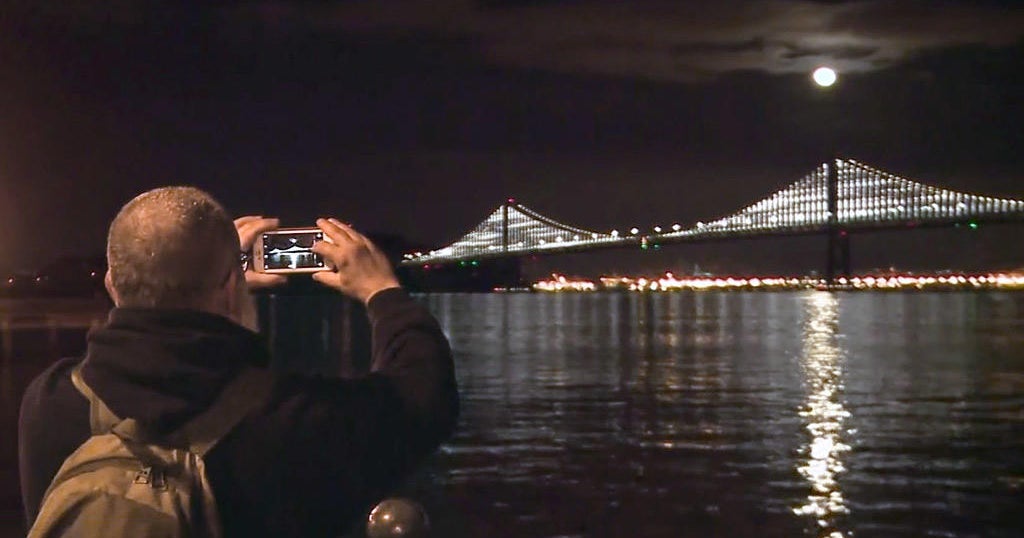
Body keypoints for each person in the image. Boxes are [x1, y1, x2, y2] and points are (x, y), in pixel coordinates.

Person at [18, 186, 459, 536]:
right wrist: (382, 290)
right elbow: (424, 396)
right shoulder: (296, 420)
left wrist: (213, 273)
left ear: (112, 285)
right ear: (231, 285)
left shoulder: (49, 402)